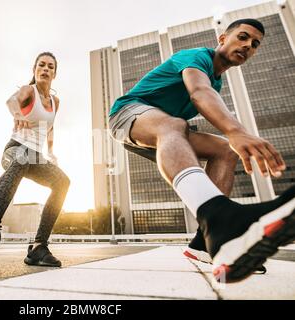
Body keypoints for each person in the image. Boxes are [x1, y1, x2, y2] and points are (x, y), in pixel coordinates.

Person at [108, 19, 295, 283]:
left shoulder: (216, 82)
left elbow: (206, 93)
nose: (247, 46)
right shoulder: (196, 57)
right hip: (127, 114)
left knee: (224, 150)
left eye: (254, 45)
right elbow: (198, 92)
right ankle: (219, 217)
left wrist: (232, 138)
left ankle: (204, 243)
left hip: (164, 127)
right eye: (242, 37)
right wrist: (237, 131)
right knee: (176, 125)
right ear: (222, 38)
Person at [0, 52, 70, 267]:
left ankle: (38, 247)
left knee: (62, 182)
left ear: (55, 73)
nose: (45, 69)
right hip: (14, 151)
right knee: (22, 158)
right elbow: (11, 102)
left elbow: (50, 128)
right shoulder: (28, 90)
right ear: (34, 69)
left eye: (50, 67)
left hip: (36, 157)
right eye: (41, 65)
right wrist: (19, 115)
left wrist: (51, 152)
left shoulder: (55, 101)